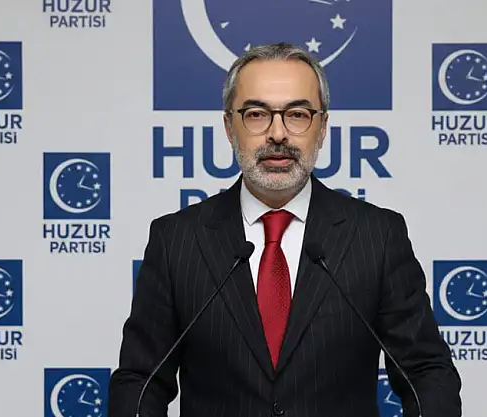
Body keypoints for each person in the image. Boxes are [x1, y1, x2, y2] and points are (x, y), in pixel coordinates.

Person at [108, 42, 462, 417]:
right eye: (257, 114)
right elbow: (141, 381)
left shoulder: (378, 237)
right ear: (229, 127)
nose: (277, 134)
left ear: (322, 128)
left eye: (297, 114)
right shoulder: (176, 241)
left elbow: (426, 373)